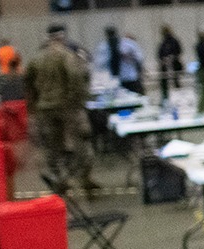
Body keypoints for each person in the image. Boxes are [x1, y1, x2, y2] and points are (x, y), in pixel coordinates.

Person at [25, 25, 99, 195]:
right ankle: (85, 178)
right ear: (62, 37)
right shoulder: (67, 55)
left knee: (52, 147)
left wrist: (34, 108)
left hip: (45, 109)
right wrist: (77, 101)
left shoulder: (37, 58)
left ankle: (59, 180)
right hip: (68, 108)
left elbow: (28, 85)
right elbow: (77, 79)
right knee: (83, 141)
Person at [93, 27, 145, 94]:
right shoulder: (104, 47)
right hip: (113, 80)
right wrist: (110, 56)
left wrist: (129, 56)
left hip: (129, 77)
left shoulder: (128, 44)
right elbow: (100, 64)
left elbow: (140, 57)